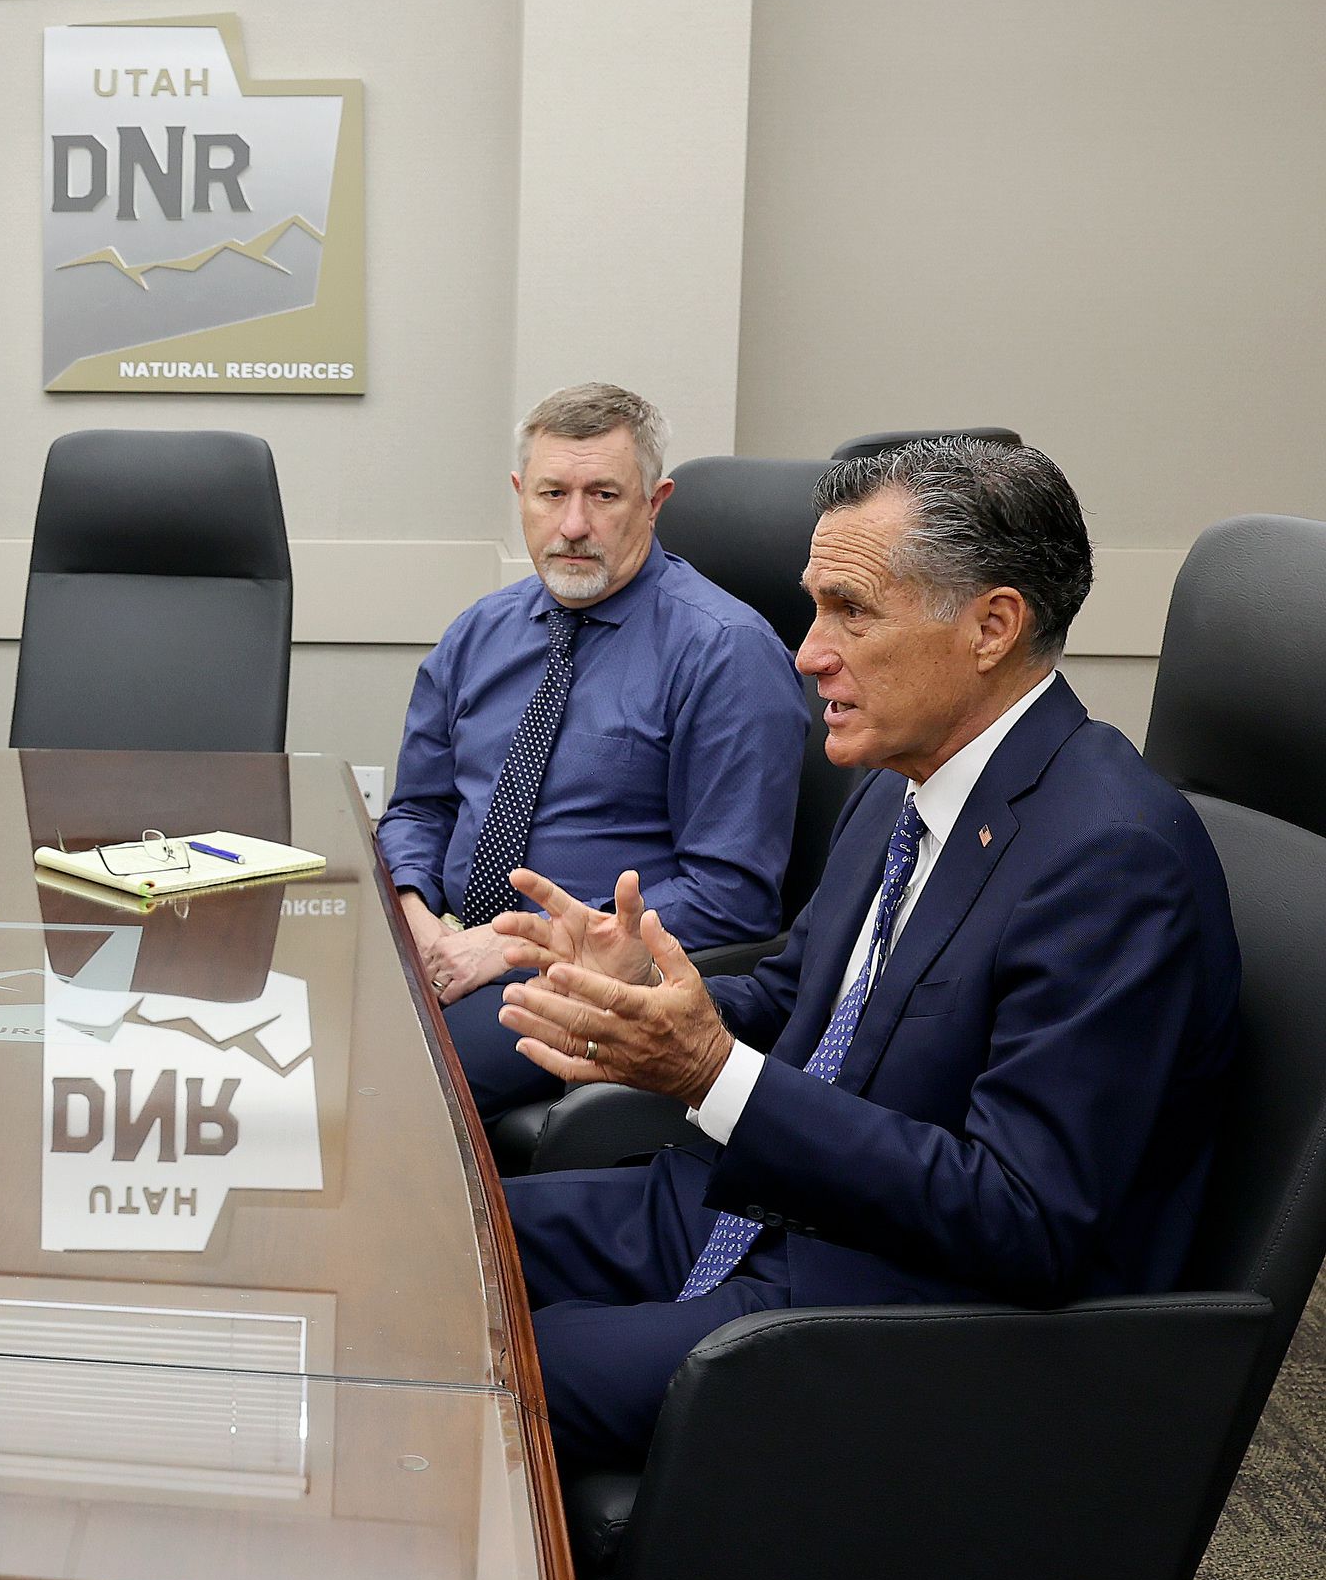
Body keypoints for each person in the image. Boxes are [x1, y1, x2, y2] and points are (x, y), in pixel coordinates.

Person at [484, 438, 1238, 1471]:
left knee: (491, 1368)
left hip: (899, 1304)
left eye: (852, 610)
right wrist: (655, 995)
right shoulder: (899, 778)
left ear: (993, 625)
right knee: (434, 1253)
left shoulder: (1113, 858)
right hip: (758, 1210)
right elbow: (805, 1000)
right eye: (814, 605)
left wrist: (713, 1073)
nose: (807, 652)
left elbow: (1024, 1217)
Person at [379, 383, 806, 1118]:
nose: (573, 524)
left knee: (389, 1095)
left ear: (655, 501)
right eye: (552, 493)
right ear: (521, 494)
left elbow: (732, 895)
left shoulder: (725, 654)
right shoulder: (478, 633)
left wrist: (517, 945)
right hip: (440, 950)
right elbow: (419, 808)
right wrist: (416, 918)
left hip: (585, 981)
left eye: (603, 495)